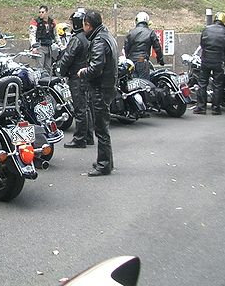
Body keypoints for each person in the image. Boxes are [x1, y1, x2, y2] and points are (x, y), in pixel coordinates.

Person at [78, 10, 117, 176]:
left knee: (101, 128)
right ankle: (106, 160)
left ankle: (104, 164)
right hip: (108, 85)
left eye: (84, 25)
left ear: (88, 25)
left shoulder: (99, 40)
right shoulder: (106, 36)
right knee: (103, 127)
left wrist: (83, 72)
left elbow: (96, 68)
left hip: (101, 87)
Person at [60, 10, 94, 148]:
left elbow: (67, 58)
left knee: (80, 108)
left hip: (77, 76)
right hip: (87, 75)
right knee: (86, 107)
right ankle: (88, 136)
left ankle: (80, 139)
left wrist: (61, 71)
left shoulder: (77, 39)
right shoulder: (89, 38)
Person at [193, 12, 225, 115]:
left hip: (205, 60)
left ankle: (201, 107)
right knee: (217, 85)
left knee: (202, 83)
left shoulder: (206, 29)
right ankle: (216, 108)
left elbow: (202, 44)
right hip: (218, 61)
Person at [123, 11, 164, 80]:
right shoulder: (150, 32)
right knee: (144, 83)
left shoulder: (131, 32)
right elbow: (157, 47)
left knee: (133, 82)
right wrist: (160, 60)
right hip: (142, 60)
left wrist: (128, 58)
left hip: (131, 61)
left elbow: (126, 47)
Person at [29, 5, 62, 74]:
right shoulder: (35, 22)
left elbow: (56, 35)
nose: (40, 14)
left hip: (49, 47)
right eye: (39, 12)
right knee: (40, 68)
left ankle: (47, 80)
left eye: (42, 12)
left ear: (47, 12)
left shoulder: (52, 22)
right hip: (39, 47)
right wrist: (34, 46)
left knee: (48, 68)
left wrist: (61, 45)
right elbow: (32, 35)